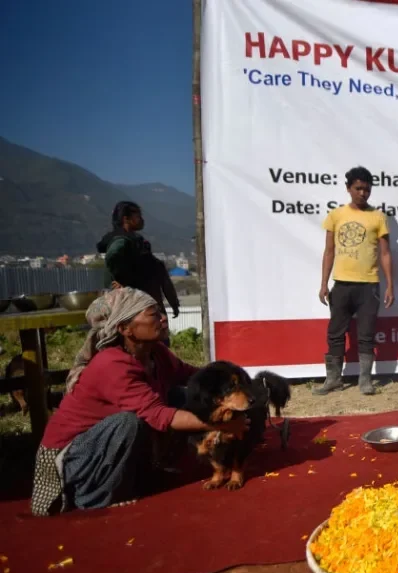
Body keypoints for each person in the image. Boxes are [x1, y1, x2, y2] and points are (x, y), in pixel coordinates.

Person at [31, 288, 248, 516]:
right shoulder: (112, 365)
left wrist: (235, 384)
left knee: (180, 396)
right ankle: (92, 496)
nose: (163, 318)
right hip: (72, 458)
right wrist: (221, 425)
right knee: (128, 422)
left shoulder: (156, 353)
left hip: (104, 446)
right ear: (125, 329)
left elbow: (195, 378)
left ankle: (146, 471)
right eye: (153, 314)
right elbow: (160, 415)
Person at [316, 167, 395, 396]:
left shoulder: (378, 217)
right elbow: (328, 251)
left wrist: (390, 285)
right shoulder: (336, 216)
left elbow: (386, 254)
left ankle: (365, 380)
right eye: (358, 188)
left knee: (366, 335)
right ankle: (333, 379)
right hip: (341, 285)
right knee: (335, 333)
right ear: (348, 188)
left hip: (369, 286)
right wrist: (323, 284)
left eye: (367, 189)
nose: (363, 193)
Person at [97, 201, 181, 318]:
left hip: (145, 305)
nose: (142, 220)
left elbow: (160, 274)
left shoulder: (136, 244)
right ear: (126, 219)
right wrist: (122, 280)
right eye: (138, 216)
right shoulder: (122, 241)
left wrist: (173, 302)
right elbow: (113, 254)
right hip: (137, 309)